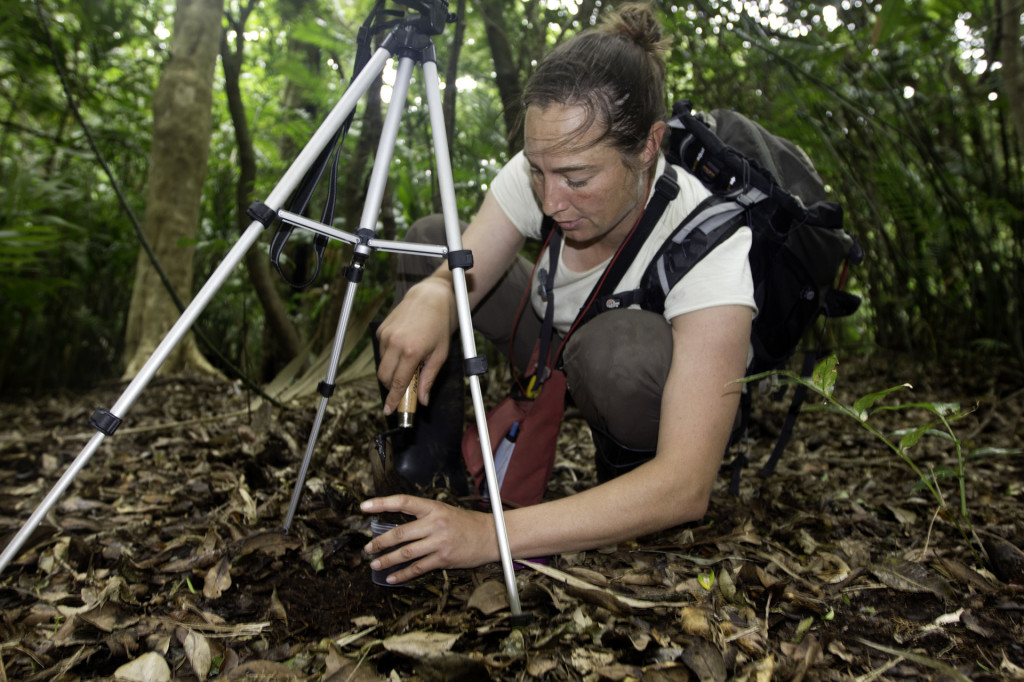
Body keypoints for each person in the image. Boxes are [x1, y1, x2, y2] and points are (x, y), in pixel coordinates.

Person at [361, 2, 755, 584]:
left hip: (627, 374)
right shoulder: (548, 167)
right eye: (538, 172)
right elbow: (460, 267)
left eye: (577, 179)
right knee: (430, 243)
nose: (550, 201)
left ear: (648, 147)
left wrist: (486, 537)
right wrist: (436, 293)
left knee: (616, 353)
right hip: (544, 348)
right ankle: (429, 459)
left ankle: (618, 497)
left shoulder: (709, 239)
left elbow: (687, 485)